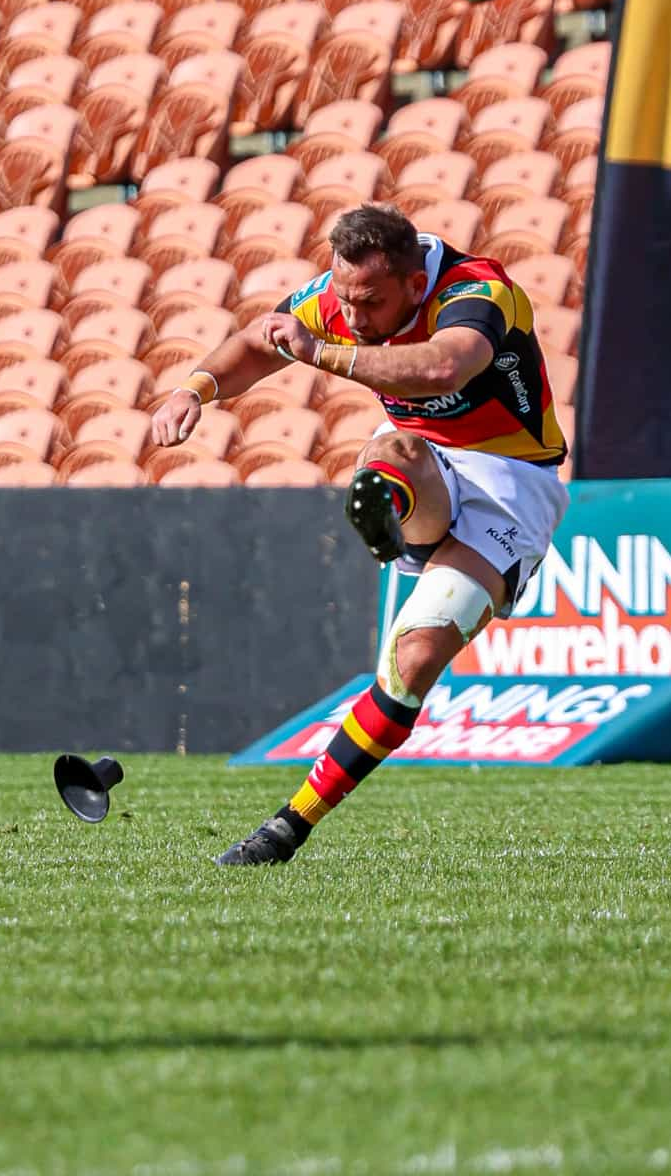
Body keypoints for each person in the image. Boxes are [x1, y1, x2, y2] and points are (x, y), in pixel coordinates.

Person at [149, 202, 567, 867]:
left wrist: (321, 354)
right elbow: (260, 342)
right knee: (393, 452)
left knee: (413, 663)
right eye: (345, 297)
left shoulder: (479, 293)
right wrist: (193, 390)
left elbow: (441, 369)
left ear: (412, 282)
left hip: (512, 481)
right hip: (421, 453)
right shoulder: (339, 298)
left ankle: (291, 824)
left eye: (369, 302)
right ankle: (389, 513)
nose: (354, 315)